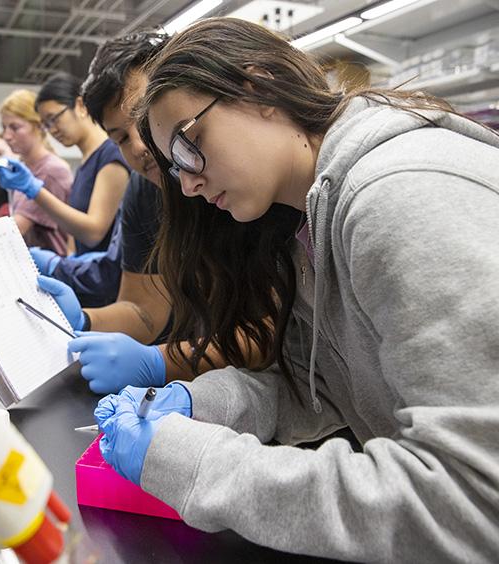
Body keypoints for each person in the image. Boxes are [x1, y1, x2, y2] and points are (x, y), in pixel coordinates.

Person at [93, 17, 499, 562]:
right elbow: (323, 383)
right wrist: (200, 403)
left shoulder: (397, 196)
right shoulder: (304, 225)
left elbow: (473, 500)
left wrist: (198, 465)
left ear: (258, 88)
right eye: (174, 168)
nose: (187, 183)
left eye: (189, 146)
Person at [37, 30, 255, 394]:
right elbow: (144, 310)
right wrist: (84, 319)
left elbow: (275, 338)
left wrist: (160, 363)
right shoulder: (144, 191)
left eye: (146, 118)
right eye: (120, 138)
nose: (140, 145)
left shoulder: (242, 181)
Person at [26, 73, 130, 256]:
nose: (52, 130)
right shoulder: (85, 163)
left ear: (80, 106)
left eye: (54, 118)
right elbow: (75, 232)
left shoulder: (111, 155)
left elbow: (94, 232)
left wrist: (36, 192)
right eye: (46, 125)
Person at [0, 89, 73, 255]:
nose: (7, 136)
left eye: (15, 127)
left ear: (39, 125)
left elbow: (16, 229)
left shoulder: (51, 170)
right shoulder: (23, 168)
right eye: (4, 128)